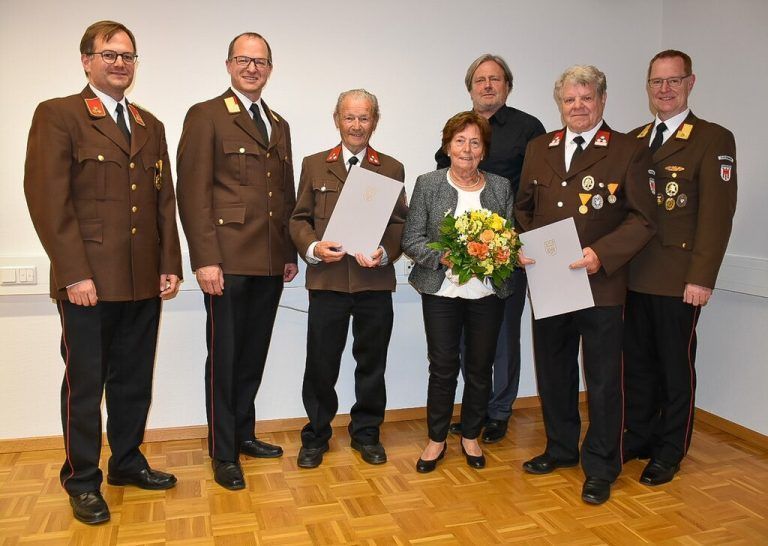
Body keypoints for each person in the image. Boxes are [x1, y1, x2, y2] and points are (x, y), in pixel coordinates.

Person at [23, 20, 182, 524]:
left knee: (134, 381)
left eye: (127, 56)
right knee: (85, 387)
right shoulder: (59, 115)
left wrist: (169, 264)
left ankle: (127, 461)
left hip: (141, 281)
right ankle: (82, 480)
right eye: (109, 54)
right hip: (87, 282)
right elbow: (47, 200)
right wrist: (73, 273)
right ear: (86, 60)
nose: (119, 63)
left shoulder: (149, 124)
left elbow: (163, 201)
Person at [515, 65, 656, 504]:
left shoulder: (629, 150)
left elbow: (644, 218)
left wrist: (602, 254)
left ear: (602, 100)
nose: (577, 106)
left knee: (603, 380)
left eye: (586, 98)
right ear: (560, 104)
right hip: (550, 282)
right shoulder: (539, 148)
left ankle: (601, 465)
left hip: (600, 284)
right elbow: (523, 208)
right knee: (554, 371)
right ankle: (560, 448)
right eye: (570, 99)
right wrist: (523, 244)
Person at [176, 32, 297, 491]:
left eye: (260, 61)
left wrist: (287, 252)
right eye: (244, 60)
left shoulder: (278, 123)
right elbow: (192, 192)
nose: (252, 68)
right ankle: (222, 451)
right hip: (226, 262)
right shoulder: (206, 115)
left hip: (268, 262)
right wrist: (205, 259)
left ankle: (243, 433)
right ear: (228, 64)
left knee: (252, 356)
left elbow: (283, 194)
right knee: (224, 360)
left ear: (270, 69)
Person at [623, 50, 737, 486]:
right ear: (648, 87)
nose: (665, 89)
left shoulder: (712, 138)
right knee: (636, 365)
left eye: (674, 80)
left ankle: (670, 449)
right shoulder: (634, 139)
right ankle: (639, 435)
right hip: (632, 275)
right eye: (657, 81)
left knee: (674, 368)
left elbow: (716, 215)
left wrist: (702, 278)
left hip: (677, 278)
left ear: (691, 83)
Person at [289, 89, 408, 469]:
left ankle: (367, 433)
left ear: (375, 121)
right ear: (337, 120)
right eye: (349, 117)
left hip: (374, 283)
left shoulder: (390, 168)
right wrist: (313, 247)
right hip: (328, 282)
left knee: (372, 363)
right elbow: (299, 219)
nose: (357, 125)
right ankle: (316, 435)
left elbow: (399, 223)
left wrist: (385, 251)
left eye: (364, 118)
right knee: (320, 364)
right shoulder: (314, 165)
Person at [436, 55, 545, 444]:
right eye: (480, 80)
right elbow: (441, 183)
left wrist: (517, 241)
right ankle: (475, 411)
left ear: (507, 86)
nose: (487, 85)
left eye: (495, 79)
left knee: (502, 338)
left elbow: (537, 190)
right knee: (468, 339)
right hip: (462, 253)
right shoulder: (458, 128)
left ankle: (499, 411)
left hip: (505, 253)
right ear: (470, 88)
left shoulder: (529, 128)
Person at [402, 111, 514, 473]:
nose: (467, 149)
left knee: (480, 369)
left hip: (486, 295)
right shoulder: (428, 183)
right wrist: (442, 256)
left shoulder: (500, 187)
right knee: (443, 367)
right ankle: (436, 439)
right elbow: (411, 239)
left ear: (484, 150)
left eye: (475, 142)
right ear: (448, 146)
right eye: (460, 141)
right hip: (442, 294)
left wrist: (501, 253)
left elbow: (509, 238)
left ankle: (470, 436)